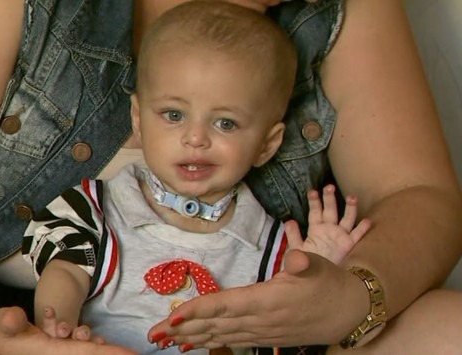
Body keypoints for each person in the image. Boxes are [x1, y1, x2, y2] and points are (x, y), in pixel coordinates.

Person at [0, 0, 460, 354]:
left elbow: (418, 198)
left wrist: (354, 295)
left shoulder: (340, 10)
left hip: (252, 338)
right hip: (18, 330)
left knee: (447, 329)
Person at [21, 3, 370, 354]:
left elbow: (289, 329)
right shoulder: (97, 208)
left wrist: (315, 272)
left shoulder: (273, 248)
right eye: (174, 115)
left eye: (225, 123)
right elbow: (64, 271)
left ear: (266, 144)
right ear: (139, 120)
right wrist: (58, 324)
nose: (196, 138)